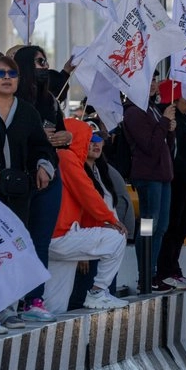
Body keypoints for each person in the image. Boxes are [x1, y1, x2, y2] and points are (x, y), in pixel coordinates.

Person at [0, 55, 57, 324]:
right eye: (0, 73)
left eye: (11, 74)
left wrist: (42, 166)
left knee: (11, 248)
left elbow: (42, 145)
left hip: (18, 192)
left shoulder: (27, 111)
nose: (6, 78)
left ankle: (8, 309)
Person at [44, 119, 129, 313]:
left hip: (55, 236)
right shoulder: (67, 157)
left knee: (54, 305)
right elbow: (87, 194)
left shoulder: (60, 157)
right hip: (62, 236)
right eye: (87, 137)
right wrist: (112, 220)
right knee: (116, 238)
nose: (91, 142)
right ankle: (98, 291)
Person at [13, 46, 71, 310]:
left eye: (46, 60)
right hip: (21, 177)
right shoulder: (14, 100)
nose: (45, 66)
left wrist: (65, 137)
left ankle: (34, 300)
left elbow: (62, 132)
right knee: (16, 239)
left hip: (51, 175)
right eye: (39, 61)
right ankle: (9, 300)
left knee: (40, 241)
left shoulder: (50, 101)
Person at [122, 76, 175, 289]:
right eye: (148, 79)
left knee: (161, 226)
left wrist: (169, 129)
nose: (152, 83)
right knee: (148, 225)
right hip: (147, 178)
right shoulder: (134, 112)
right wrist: (163, 122)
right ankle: (144, 273)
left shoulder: (151, 108)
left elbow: (165, 146)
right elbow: (149, 146)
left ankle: (152, 272)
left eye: (154, 79)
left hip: (162, 177)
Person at [154, 80, 186, 291]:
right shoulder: (170, 122)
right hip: (176, 183)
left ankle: (174, 269)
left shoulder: (184, 121)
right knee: (171, 228)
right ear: (174, 99)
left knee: (181, 228)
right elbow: (172, 154)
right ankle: (164, 271)